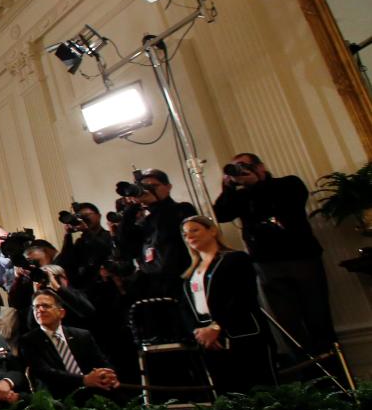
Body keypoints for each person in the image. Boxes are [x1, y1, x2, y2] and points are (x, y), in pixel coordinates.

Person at [213, 153, 336, 355]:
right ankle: (308, 376)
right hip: (266, 263)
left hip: (301, 257)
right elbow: (221, 214)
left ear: (260, 166)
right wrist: (228, 187)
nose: (240, 171)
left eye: (244, 166)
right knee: (288, 324)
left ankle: (337, 373)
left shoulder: (287, 184)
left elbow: (289, 204)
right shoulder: (241, 195)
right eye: (235, 168)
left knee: (318, 316)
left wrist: (256, 183)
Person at [180, 216, 276, 394]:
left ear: (212, 231)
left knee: (259, 390)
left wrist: (218, 326)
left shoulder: (235, 259)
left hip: (241, 334)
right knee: (229, 394)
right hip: (210, 341)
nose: (189, 236)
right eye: (185, 234)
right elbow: (187, 308)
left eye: (195, 230)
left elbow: (243, 296)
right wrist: (199, 332)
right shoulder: (190, 273)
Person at [18, 291, 119, 400]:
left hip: (93, 392)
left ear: (61, 313)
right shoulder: (28, 341)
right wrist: (84, 380)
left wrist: (108, 375)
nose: (40, 310)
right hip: (57, 398)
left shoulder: (82, 335)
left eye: (46, 306)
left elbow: (100, 361)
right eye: (36, 307)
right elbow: (45, 373)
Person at [118, 169, 198, 297]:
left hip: (180, 280)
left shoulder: (182, 209)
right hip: (153, 284)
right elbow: (125, 248)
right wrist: (131, 209)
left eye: (153, 186)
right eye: (144, 188)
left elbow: (167, 229)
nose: (147, 190)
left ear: (168, 187)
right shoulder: (144, 221)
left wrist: (155, 201)